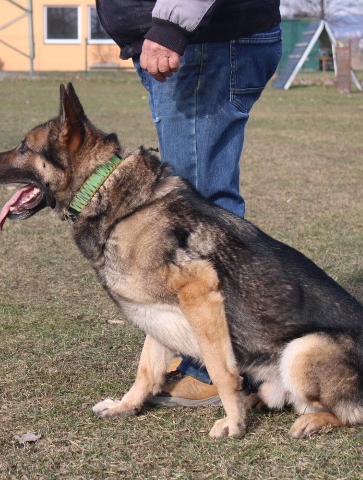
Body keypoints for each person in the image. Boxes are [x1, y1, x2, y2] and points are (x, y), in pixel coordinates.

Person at [96, 0, 282, 407]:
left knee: (199, 220)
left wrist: (170, 25)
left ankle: (217, 370)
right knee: (196, 217)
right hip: (193, 42)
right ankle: (208, 355)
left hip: (202, 41)